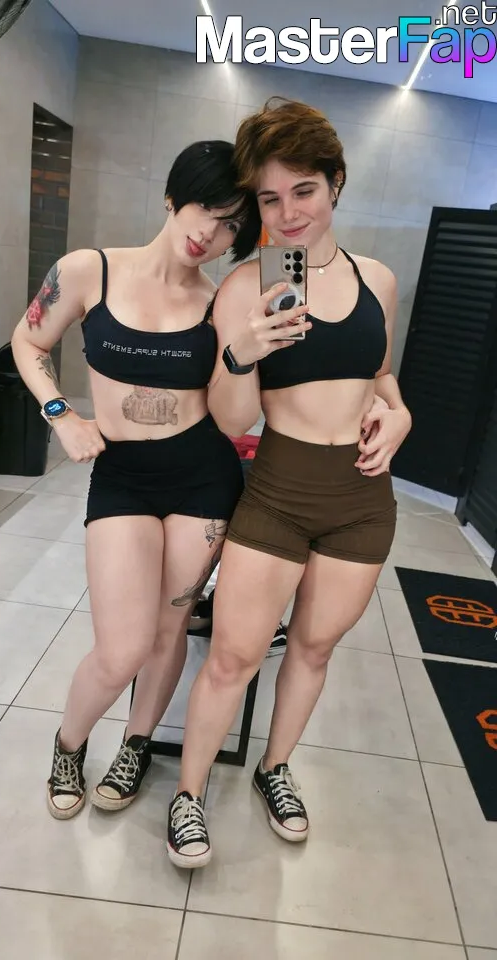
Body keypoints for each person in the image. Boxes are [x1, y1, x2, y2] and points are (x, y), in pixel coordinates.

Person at [166, 98, 412, 869]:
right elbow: (231, 416)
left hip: (362, 499)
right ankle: (189, 794)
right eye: (270, 199)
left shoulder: (378, 280)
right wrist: (242, 352)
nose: (289, 213)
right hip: (277, 490)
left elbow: (379, 373)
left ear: (335, 182)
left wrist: (400, 412)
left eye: (303, 190)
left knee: (313, 649)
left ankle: (275, 768)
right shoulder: (252, 284)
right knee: (235, 655)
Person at [10, 140, 263, 820]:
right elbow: (27, 342)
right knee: (121, 647)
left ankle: (137, 743)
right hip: (122, 475)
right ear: (174, 197)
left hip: (203, 478)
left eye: (232, 226)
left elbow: (235, 407)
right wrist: (61, 415)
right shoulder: (88, 270)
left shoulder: (218, 303)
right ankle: (69, 744)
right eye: (207, 209)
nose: (210, 233)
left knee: (167, 630)